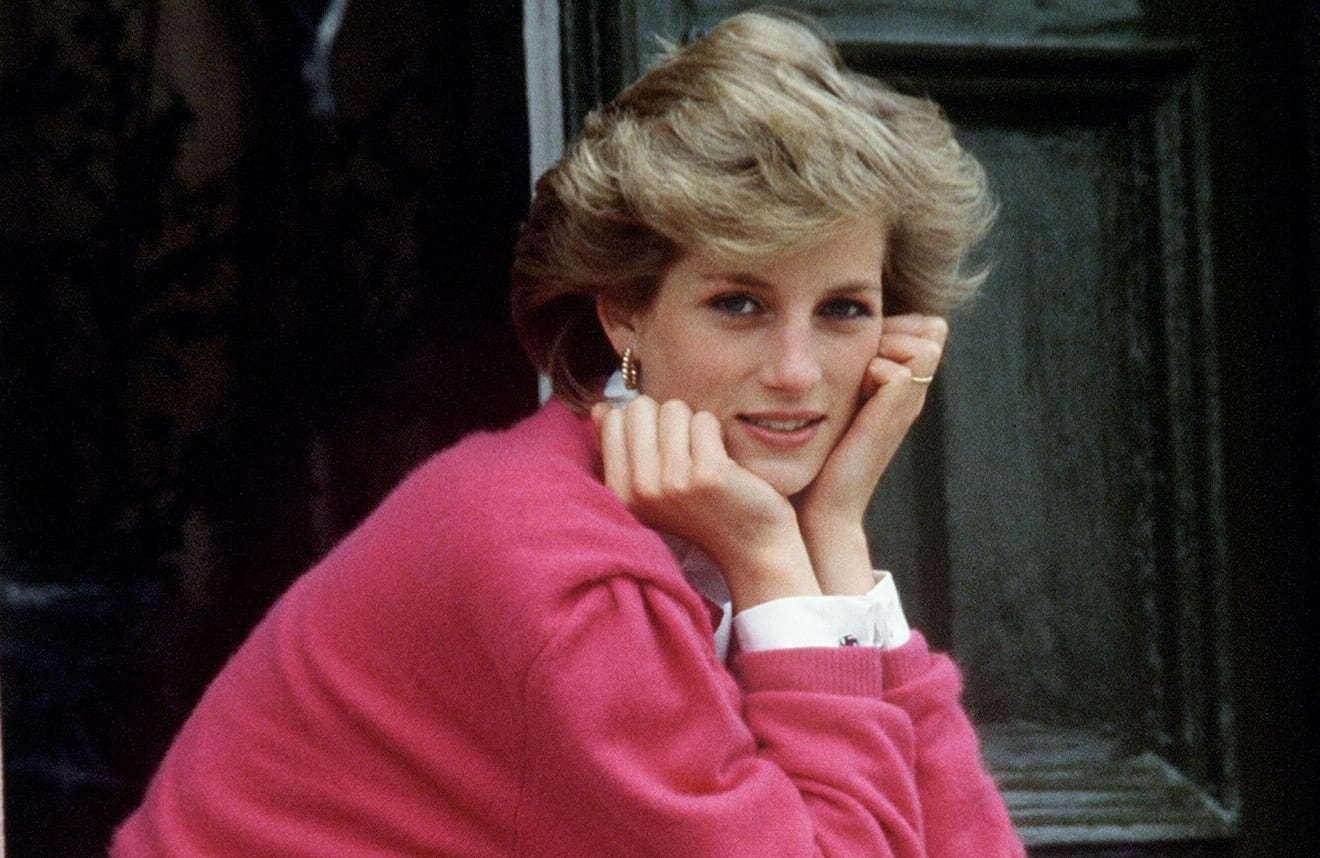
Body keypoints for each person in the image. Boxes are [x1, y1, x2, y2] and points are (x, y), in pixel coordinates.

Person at [113, 9, 1023, 856]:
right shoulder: (565, 571)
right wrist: (770, 556)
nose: (795, 370)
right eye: (738, 304)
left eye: (843, 310)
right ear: (625, 316)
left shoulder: (692, 512)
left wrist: (834, 534)